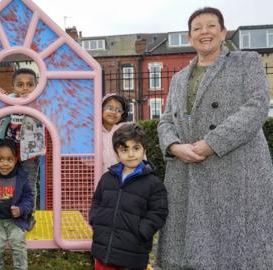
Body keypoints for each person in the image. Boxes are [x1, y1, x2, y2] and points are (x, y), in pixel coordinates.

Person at [157, 7, 273, 269]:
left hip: (234, 168)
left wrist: (212, 144)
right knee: (190, 252)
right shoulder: (178, 78)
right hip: (186, 172)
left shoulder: (246, 62)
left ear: (223, 32)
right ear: (189, 37)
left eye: (211, 26)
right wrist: (174, 146)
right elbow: (166, 119)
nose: (204, 32)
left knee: (235, 252)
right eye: (197, 28)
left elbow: (256, 107)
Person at [90, 123, 168, 270]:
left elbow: (159, 212)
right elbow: (97, 201)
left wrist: (143, 231)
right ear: (117, 153)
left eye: (136, 148)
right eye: (124, 149)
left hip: (133, 252)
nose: (131, 154)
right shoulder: (107, 178)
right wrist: (96, 219)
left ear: (144, 149)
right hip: (103, 250)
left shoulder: (154, 183)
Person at [0, 68, 45, 213]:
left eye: (29, 84)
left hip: (30, 153)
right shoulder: (10, 100)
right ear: (14, 86)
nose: (25, 88)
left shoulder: (39, 101)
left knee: (29, 184)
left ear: (37, 86)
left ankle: (28, 214)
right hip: (10, 151)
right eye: (20, 85)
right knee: (7, 182)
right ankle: (7, 212)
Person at [0, 138, 34, 270]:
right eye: (0, 159)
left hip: (14, 220)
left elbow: (29, 197)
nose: (5, 164)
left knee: (18, 243)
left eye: (9, 159)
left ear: (15, 160)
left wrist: (21, 209)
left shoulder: (21, 176)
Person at [101, 94, 128, 172]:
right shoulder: (95, 132)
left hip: (122, 177)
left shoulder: (124, 131)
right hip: (100, 177)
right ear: (101, 109)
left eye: (119, 110)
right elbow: (88, 161)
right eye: (110, 108)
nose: (114, 112)